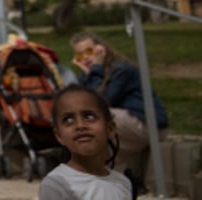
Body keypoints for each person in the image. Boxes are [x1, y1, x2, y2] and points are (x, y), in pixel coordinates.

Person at [71, 30, 168, 184]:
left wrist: (95, 69)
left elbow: (101, 101)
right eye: (80, 55)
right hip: (124, 126)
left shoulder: (122, 69)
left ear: (100, 48)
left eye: (88, 51)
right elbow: (80, 102)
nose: (86, 57)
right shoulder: (93, 74)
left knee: (93, 118)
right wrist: (86, 74)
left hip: (147, 125)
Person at [39, 84, 134, 199]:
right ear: (59, 136)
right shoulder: (57, 184)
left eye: (89, 117)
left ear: (110, 128)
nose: (80, 125)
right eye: (68, 119)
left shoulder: (122, 183)